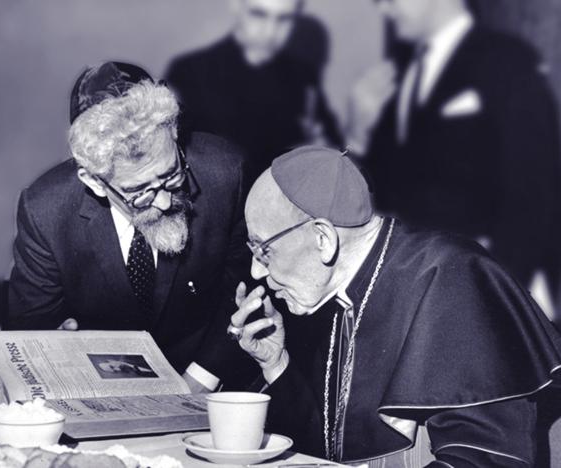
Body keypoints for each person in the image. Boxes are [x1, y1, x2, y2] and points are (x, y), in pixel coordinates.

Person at [230, 145, 561, 465]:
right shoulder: (340, 291)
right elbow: (331, 452)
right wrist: (276, 362)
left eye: (264, 251)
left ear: (323, 239)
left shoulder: (448, 279)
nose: (256, 271)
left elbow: (484, 459)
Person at [6, 62, 253, 392]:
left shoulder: (226, 173)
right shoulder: (45, 211)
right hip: (98, 388)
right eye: (140, 192)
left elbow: (243, 289)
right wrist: (57, 349)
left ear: (175, 135)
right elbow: (31, 328)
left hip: (208, 379)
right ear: (93, 180)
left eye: (171, 175)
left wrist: (200, 380)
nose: (165, 202)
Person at [348, 0, 561, 303]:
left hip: (486, 295)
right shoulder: (398, 71)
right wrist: (358, 133)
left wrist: (491, 300)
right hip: (418, 294)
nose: (384, 11)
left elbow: (533, 201)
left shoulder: (508, 62)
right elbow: (387, 194)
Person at [165, 0, 341, 181]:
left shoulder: (302, 76)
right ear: (236, 6)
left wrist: (323, 152)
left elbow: (336, 149)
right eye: (259, 14)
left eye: (284, 19)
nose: (270, 31)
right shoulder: (189, 74)